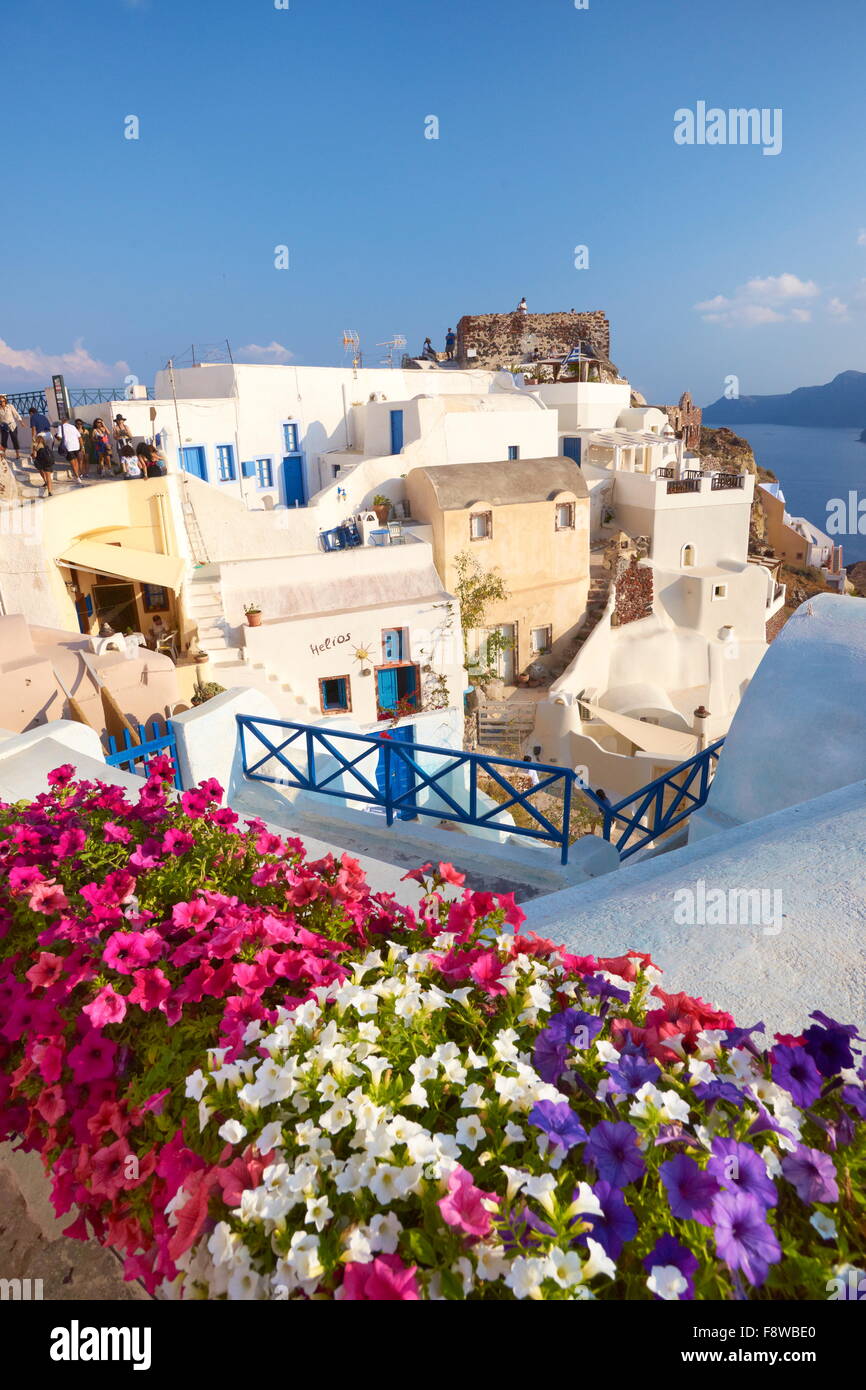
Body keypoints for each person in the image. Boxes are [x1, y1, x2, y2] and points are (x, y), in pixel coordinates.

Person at [57, 418, 84, 483]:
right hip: (76, 446)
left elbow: (59, 438)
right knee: (76, 461)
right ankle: (77, 476)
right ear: (68, 421)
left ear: (62, 421)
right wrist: (82, 447)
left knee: (72, 463)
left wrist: (57, 436)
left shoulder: (60, 427)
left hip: (68, 447)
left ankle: (77, 477)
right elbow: (79, 437)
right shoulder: (73, 427)